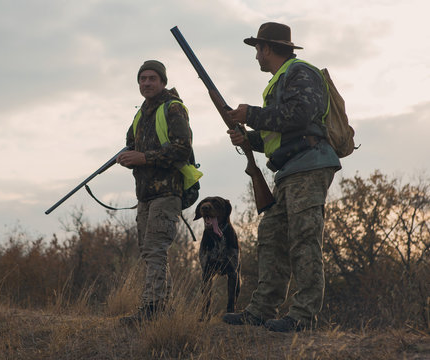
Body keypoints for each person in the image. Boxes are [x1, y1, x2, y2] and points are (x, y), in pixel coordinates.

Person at [222, 22, 341, 332]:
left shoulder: (301, 72)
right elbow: (281, 134)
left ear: (268, 48)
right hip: (289, 169)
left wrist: (251, 115)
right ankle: (261, 310)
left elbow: (301, 115)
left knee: (304, 240)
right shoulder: (281, 80)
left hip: (308, 165)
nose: (256, 56)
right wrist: (249, 139)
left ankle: (302, 316)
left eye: (257, 50)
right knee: (272, 239)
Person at [117, 60, 194, 325]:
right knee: (149, 252)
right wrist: (126, 157)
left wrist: (143, 158)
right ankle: (163, 308)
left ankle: (150, 310)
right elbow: (131, 144)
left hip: (167, 192)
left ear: (162, 81)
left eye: (152, 78)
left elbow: (182, 148)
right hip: (145, 194)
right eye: (142, 79)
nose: (146, 83)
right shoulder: (141, 113)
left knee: (155, 249)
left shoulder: (173, 108)